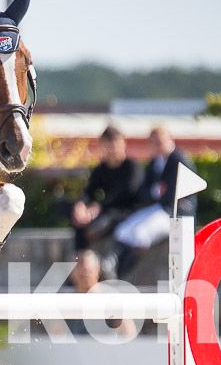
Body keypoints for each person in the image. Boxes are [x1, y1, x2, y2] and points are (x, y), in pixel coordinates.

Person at [113, 126, 197, 257]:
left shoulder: (179, 160)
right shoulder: (155, 162)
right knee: (123, 231)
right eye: (154, 143)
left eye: (160, 141)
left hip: (175, 213)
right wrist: (157, 192)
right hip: (158, 208)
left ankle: (132, 264)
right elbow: (145, 191)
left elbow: (174, 193)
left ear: (170, 139)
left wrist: (158, 192)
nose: (158, 146)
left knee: (140, 235)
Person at [69, 125, 142, 254]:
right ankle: (80, 256)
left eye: (116, 145)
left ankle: (103, 260)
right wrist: (81, 205)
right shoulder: (100, 170)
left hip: (128, 212)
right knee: (79, 220)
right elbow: (89, 191)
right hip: (107, 210)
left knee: (100, 225)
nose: (113, 150)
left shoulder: (132, 167)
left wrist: (98, 208)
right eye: (109, 146)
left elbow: (125, 193)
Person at [65, 249, 135, 339]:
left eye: (87, 271)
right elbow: (57, 332)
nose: (83, 273)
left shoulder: (111, 297)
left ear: (97, 270)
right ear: (72, 273)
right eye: (79, 270)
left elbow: (128, 331)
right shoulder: (66, 300)